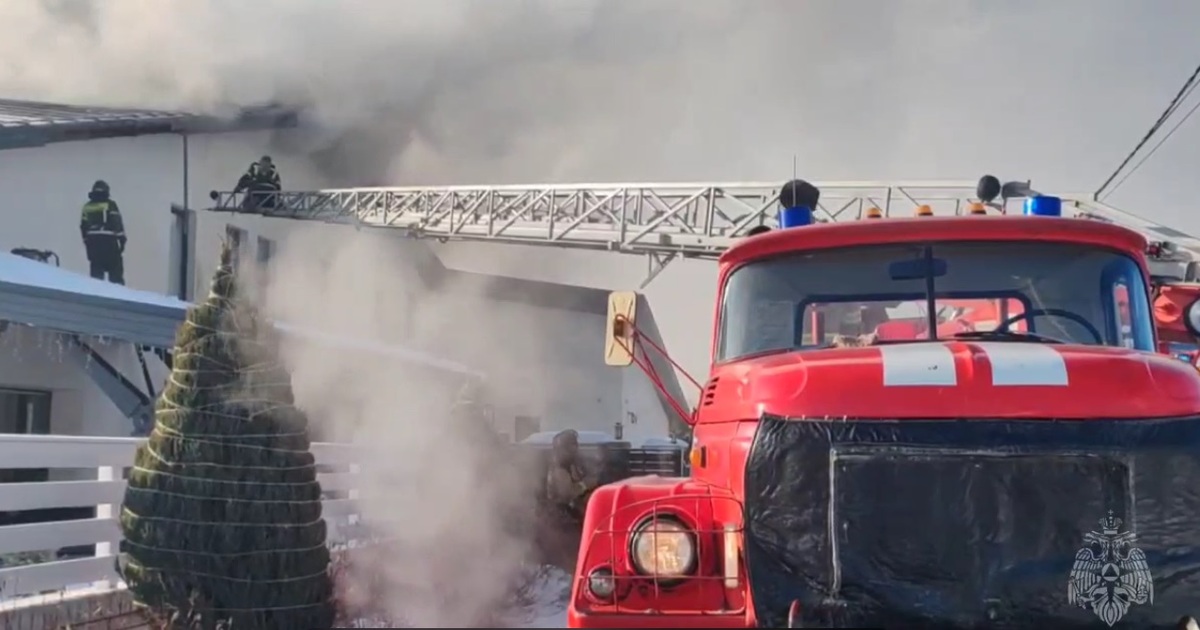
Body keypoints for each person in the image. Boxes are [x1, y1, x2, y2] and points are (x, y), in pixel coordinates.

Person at [79, 180, 126, 284]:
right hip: (109, 243)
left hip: (94, 244)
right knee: (115, 274)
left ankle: (97, 293)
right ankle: (119, 295)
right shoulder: (110, 204)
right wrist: (122, 241)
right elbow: (116, 222)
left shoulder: (87, 206)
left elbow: (83, 227)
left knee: (96, 276)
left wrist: (87, 243)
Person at [545, 429, 599, 519]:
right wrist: (586, 484)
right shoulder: (558, 469)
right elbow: (568, 494)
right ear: (562, 448)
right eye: (571, 445)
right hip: (562, 518)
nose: (575, 449)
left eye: (575, 444)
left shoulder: (573, 465)